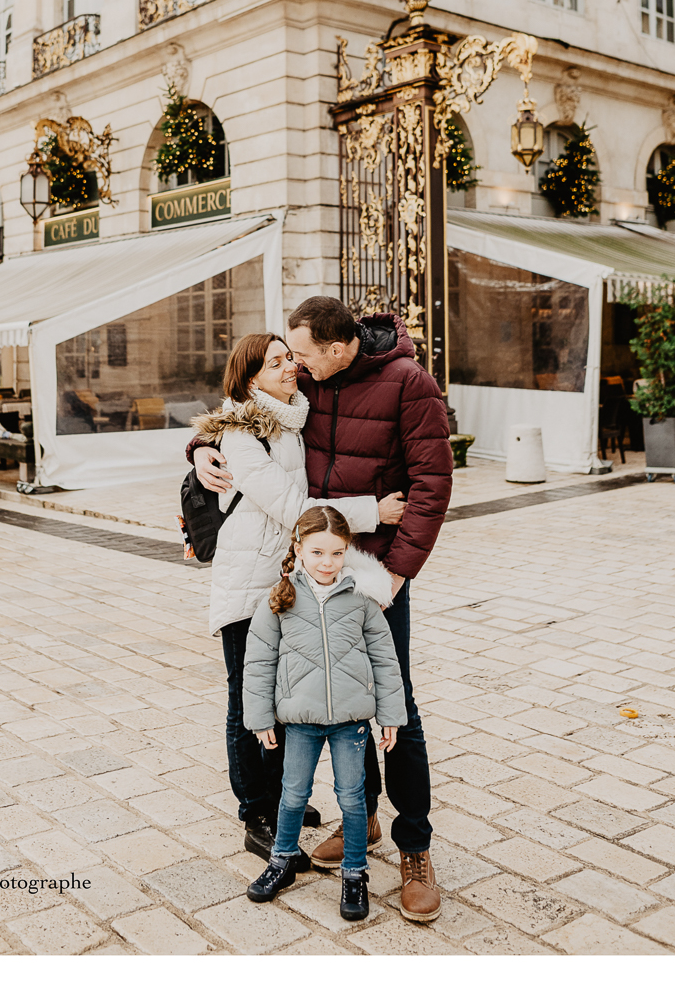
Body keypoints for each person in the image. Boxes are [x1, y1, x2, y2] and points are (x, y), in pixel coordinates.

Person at [191, 297, 452, 922]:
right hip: (311, 572)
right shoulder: (310, 378)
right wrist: (199, 450)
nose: (295, 366)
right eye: (292, 356)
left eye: (302, 354)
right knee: (334, 698)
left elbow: (432, 484)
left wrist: (397, 573)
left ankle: (415, 845)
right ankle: (363, 824)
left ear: (338, 349)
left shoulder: (409, 385)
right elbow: (240, 411)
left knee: (395, 702)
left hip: (373, 573)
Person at [194, 332, 406, 868]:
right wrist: (371, 514)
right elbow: (293, 506)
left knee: (284, 695)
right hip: (248, 588)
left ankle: (283, 798)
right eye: (275, 362)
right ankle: (256, 813)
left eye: (290, 356)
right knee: (249, 695)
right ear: (249, 380)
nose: (290, 366)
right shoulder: (244, 436)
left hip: (284, 587)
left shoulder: (294, 418)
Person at [242, 505, 406, 922]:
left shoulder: (362, 600)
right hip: (300, 722)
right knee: (293, 794)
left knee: (352, 798)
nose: (326, 563)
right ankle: (281, 861)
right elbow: (258, 662)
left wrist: (391, 715)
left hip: (351, 721)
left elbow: (386, 659)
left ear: (347, 552)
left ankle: (355, 872)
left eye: (336, 553)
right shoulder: (280, 599)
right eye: (316, 553)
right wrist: (260, 718)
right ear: (298, 549)